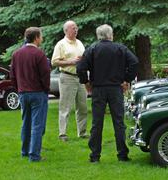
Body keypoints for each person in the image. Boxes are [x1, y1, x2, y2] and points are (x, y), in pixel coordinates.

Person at [77, 24, 138, 163]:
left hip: (98, 88)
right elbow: (134, 62)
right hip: (116, 88)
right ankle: (122, 154)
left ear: (98, 36)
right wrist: (127, 80)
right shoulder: (120, 48)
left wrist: (86, 82)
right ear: (111, 35)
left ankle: (95, 156)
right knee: (119, 122)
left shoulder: (92, 49)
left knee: (97, 123)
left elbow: (80, 67)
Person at [10, 27, 50, 162]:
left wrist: (19, 89)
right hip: (37, 93)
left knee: (25, 123)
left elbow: (12, 75)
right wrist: (46, 89)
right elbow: (45, 75)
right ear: (36, 38)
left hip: (23, 93)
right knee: (37, 125)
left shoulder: (16, 54)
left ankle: (25, 151)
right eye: (41, 36)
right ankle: (34, 155)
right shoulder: (39, 54)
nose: (42, 38)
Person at [52, 20, 88, 141]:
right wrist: (71, 62)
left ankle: (82, 133)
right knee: (65, 107)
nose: (76, 29)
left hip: (80, 77)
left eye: (76, 27)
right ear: (66, 30)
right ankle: (63, 134)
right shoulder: (61, 44)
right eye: (73, 28)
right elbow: (54, 62)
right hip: (67, 77)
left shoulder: (80, 43)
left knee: (83, 107)